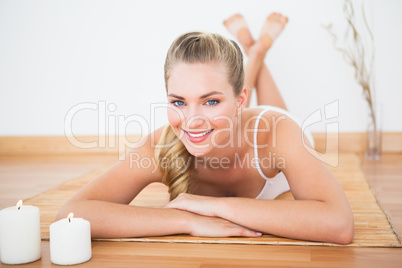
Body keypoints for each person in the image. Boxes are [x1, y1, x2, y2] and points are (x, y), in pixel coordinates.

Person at [56, 13, 354, 244]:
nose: (192, 120)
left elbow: (338, 224)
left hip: (271, 123)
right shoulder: (160, 146)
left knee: (280, 112)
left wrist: (205, 205)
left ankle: (257, 53)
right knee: (224, 101)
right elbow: (70, 216)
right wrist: (186, 221)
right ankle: (255, 51)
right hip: (239, 111)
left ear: (240, 103)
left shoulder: (278, 133)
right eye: (179, 102)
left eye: (210, 101)